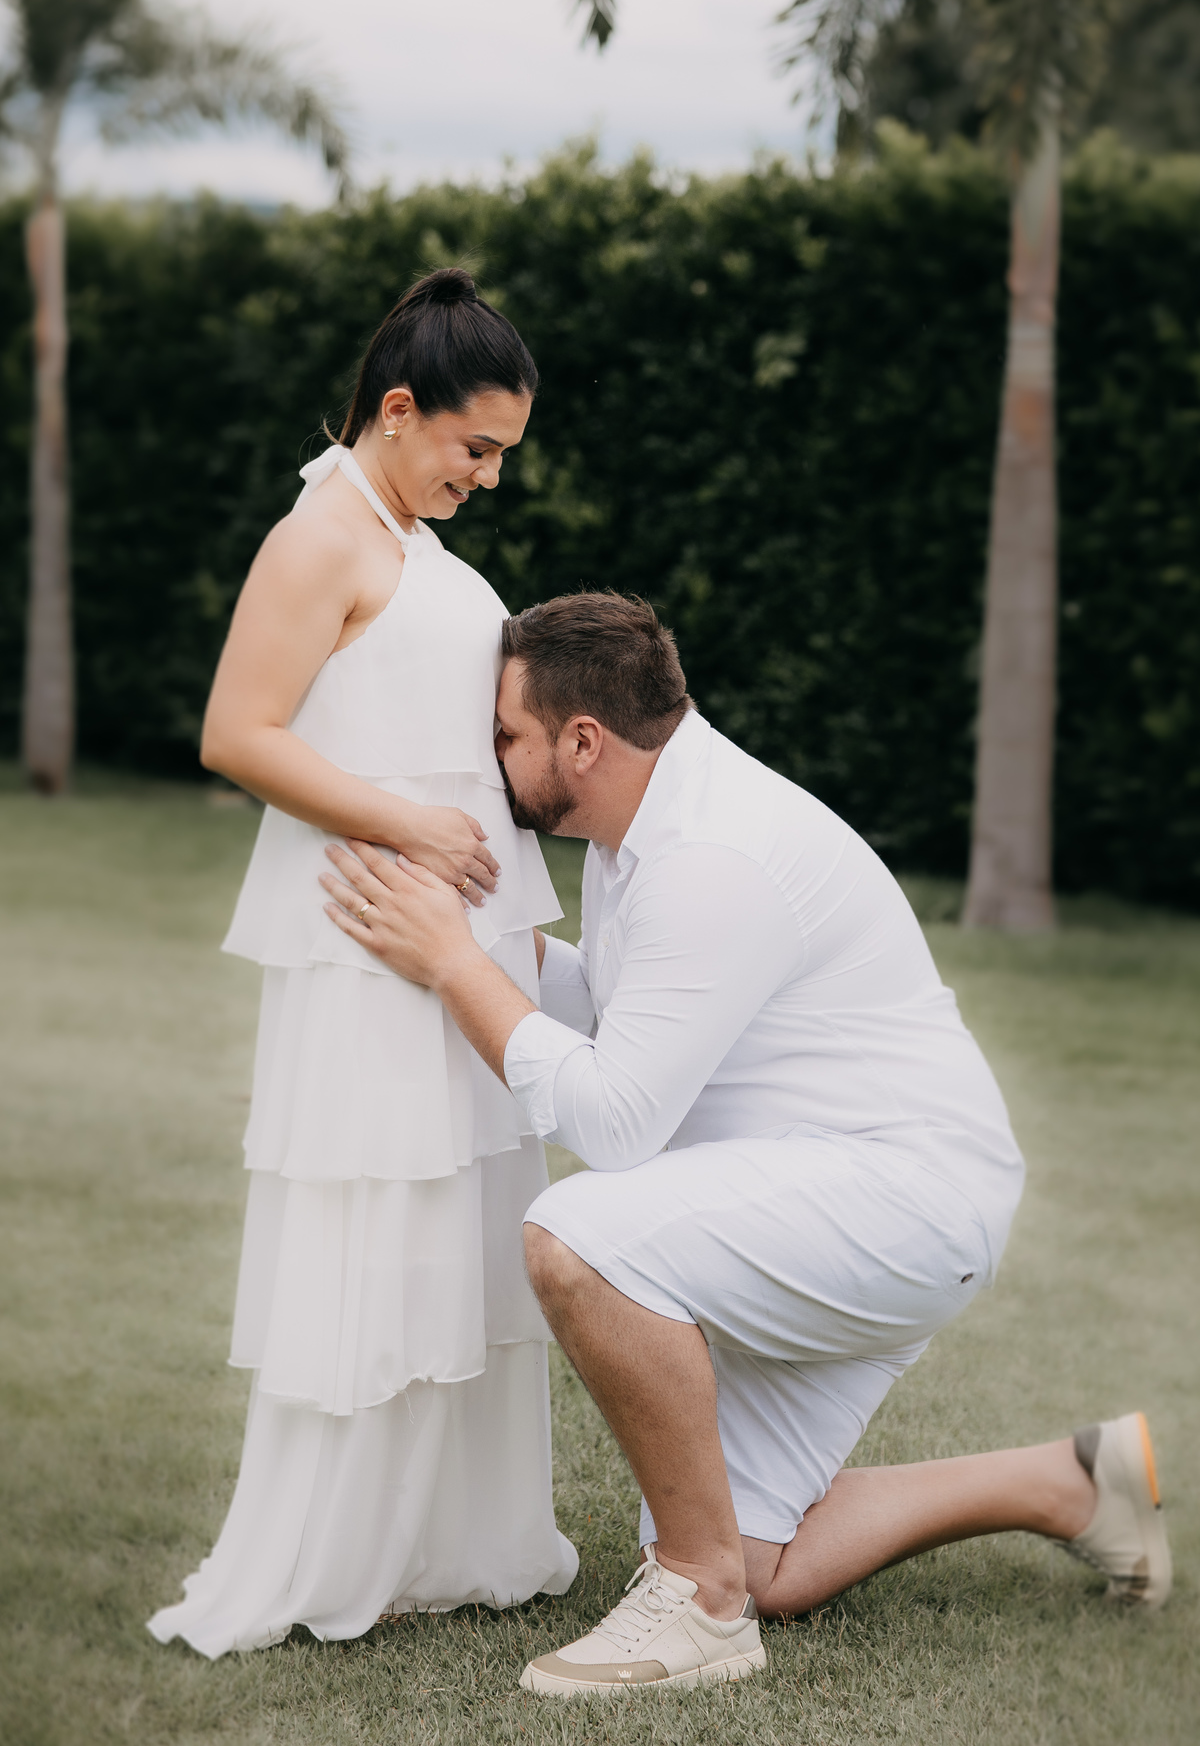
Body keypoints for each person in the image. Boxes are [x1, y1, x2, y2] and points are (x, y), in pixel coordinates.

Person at [319, 591, 1173, 1696]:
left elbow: (617, 1122)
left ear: (583, 742)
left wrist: (453, 965)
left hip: (900, 1200)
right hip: (829, 1195)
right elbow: (623, 1013)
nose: (491, 759)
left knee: (577, 1240)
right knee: (767, 1561)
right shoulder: (644, 830)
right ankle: (1076, 1483)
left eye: (505, 735)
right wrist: (474, 940)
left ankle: (698, 1605)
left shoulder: (712, 855)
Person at [147, 271, 578, 1660]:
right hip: (374, 942)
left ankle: (451, 1538)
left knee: (460, 1227)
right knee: (378, 1223)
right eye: (475, 447)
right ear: (399, 410)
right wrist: (409, 826)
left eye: (502, 453)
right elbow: (237, 732)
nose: (490, 476)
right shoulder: (320, 537)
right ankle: (337, 1548)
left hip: (457, 943)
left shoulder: (412, 538)